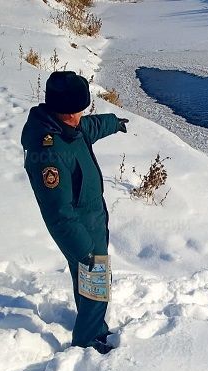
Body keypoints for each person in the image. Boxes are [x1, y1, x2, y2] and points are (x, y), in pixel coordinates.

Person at [21, 71, 129, 354]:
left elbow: (89, 127)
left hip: (92, 219)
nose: (78, 116)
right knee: (96, 282)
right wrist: (84, 252)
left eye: (80, 110)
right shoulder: (48, 152)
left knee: (90, 284)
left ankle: (95, 328)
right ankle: (87, 343)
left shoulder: (69, 126)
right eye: (72, 112)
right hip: (78, 228)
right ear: (57, 109)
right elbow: (58, 213)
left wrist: (114, 123)